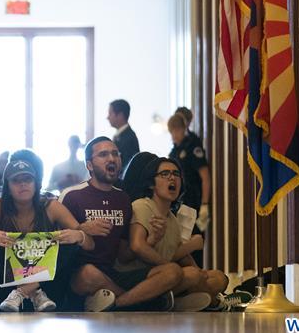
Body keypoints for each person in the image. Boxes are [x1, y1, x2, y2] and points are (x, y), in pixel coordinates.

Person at [60, 138, 192, 312]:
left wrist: (152, 238)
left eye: (115, 154)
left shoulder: (123, 199)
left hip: (113, 273)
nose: (111, 158)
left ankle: (120, 302)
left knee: (172, 271)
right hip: (79, 275)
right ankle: (145, 302)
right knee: (89, 273)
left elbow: (124, 255)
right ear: (89, 165)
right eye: (103, 154)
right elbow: (56, 240)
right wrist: (82, 229)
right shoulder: (72, 196)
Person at [0, 154, 95, 312]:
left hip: (46, 287)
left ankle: (25, 291)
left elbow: (90, 244)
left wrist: (80, 236)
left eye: (27, 179)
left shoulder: (51, 206)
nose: (23, 185)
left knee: (70, 242)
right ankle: (32, 290)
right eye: (16, 180)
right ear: (7, 186)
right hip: (6, 287)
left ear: (36, 184)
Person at [124, 155, 227, 309]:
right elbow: (137, 246)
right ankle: (216, 303)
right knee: (188, 274)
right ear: (152, 184)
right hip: (140, 276)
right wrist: (174, 267)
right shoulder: (142, 206)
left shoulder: (172, 218)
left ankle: (172, 301)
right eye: (164, 174)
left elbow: (181, 254)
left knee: (219, 278)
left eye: (176, 174)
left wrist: (201, 274)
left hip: (166, 275)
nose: (172, 178)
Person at [167, 113, 211, 267]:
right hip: (180, 204)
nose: (173, 136)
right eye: (171, 132)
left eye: (175, 131)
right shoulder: (175, 150)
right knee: (181, 241)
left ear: (182, 129)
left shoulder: (193, 145)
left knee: (195, 242)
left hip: (194, 202)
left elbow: (205, 176)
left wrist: (205, 204)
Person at [108, 99, 139, 177]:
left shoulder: (129, 137)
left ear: (120, 115)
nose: (107, 117)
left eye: (110, 113)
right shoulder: (120, 135)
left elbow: (127, 166)